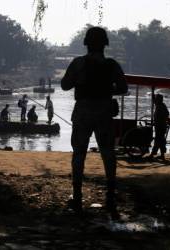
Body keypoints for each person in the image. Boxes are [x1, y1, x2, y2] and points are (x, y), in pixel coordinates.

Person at [61, 27, 128, 214]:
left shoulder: (78, 63)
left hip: (82, 112)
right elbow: (123, 88)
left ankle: (77, 196)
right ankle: (110, 196)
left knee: (79, 153)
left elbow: (65, 85)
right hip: (104, 113)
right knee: (108, 154)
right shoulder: (112, 65)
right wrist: (106, 91)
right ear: (105, 44)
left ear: (86, 44)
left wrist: (80, 83)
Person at [148, 94, 169, 160]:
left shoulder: (161, 106)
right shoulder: (159, 105)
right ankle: (162, 155)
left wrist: (158, 121)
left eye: (157, 99)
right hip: (159, 125)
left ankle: (152, 154)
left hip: (161, 126)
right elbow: (154, 101)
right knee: (161, 140)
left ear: (159, 99)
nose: (155, 100)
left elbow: (165, 114)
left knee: (158, 140)